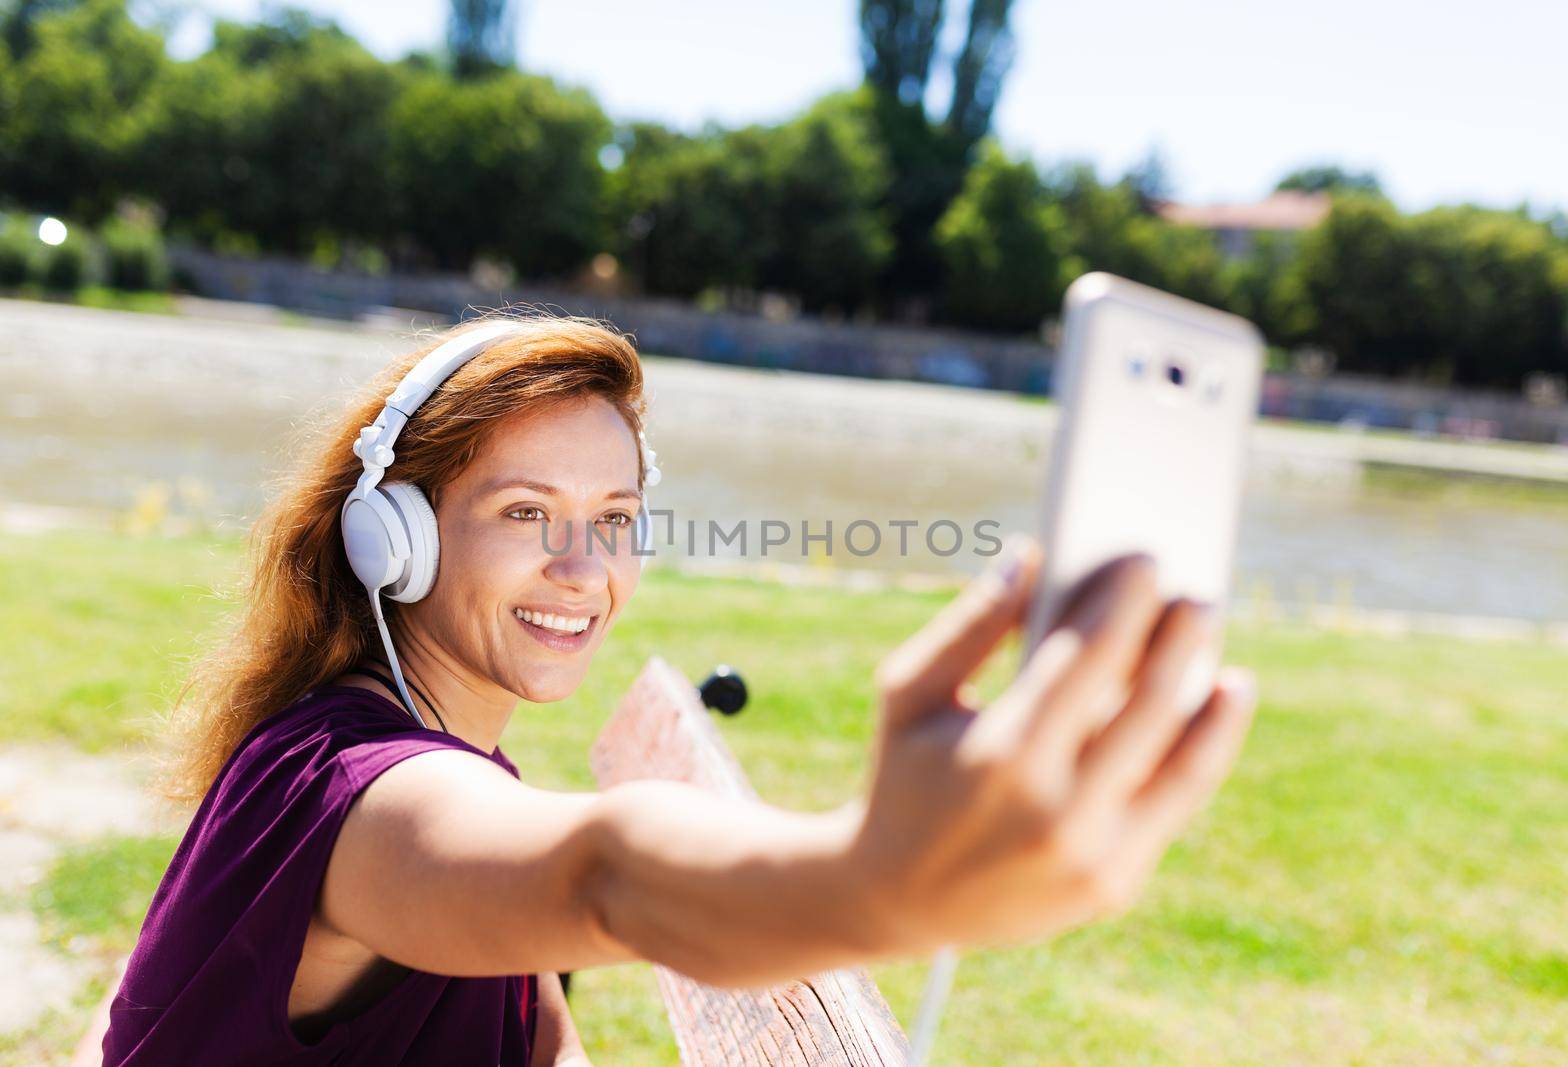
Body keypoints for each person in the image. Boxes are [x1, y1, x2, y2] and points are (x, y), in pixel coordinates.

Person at [96, 314, 1256, 1065]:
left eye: (613, 521)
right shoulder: (360, 794)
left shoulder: (405, 757)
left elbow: (540, 1023)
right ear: (390, 539)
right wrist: (879, 880)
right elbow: (605, 876)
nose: (584, 568)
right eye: (524, 513)